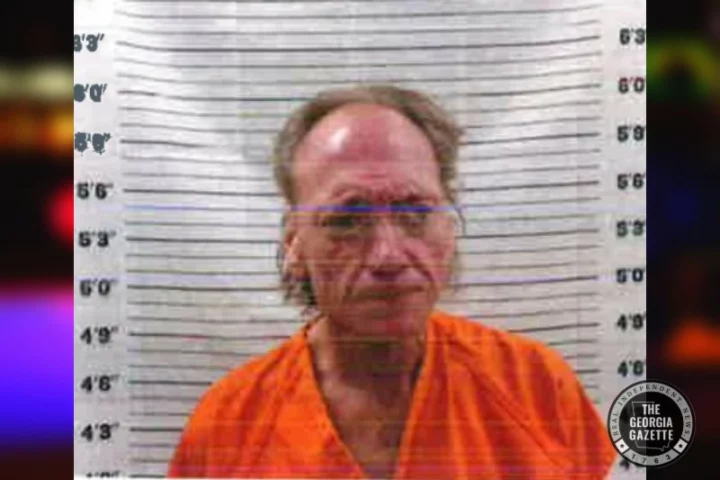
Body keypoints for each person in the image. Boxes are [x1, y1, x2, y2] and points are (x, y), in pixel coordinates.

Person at [167, 85, 617, 479]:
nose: (388, 256)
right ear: (295, 244)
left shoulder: (536, 390)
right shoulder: (228, 426)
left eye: (415, 212)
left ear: (450, 226)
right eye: (346, 220)